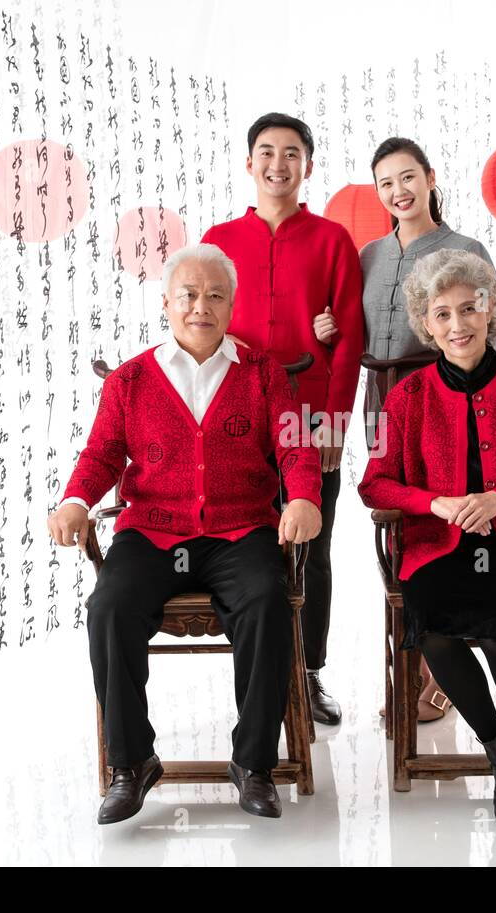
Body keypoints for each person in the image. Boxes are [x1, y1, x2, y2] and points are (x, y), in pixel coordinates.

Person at [49, 243, 323, 824]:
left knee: (267, 602)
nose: (202, 306)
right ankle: (131, 763)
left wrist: (302, 495)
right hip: (151, 532)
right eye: (190, 295)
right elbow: (101, 454)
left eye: (216, 295)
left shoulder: (265, 373)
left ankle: (253, 764)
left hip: (238, 530)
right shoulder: (130, 380)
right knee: (109, 609)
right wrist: (76, 500)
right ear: (167, 303)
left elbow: (295, 447)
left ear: (231, 304)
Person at [357, 248, 496, 828]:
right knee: (434, 627)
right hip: (438, 543)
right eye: (442, 314)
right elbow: (374, 485)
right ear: (426, 325)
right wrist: (434, 502)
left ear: (490, 310)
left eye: (469, 308)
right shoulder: (407, 397)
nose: (457, 324)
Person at [354, 136, 496, 722]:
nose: (398, 191)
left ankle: (436, 682)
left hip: (448, 403)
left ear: (430, 178)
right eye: (386, 183)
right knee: (401, 526)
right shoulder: (369, 255)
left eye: (407, 177)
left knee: (458, 526)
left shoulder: (464, 247)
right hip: (381, 407)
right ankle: (413, 661)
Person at [201, 112, 365, 725]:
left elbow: (349, 338)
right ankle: (259, 677)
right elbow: (202, 328)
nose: (278, 164)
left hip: (309, 418)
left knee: (314, 548)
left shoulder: (332, 240)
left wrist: (334, 425)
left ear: (308, 166)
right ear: (249, 163)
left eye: (291, 153)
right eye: (266, 152)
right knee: (241, 543)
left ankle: (309, 671)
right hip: (236, 419)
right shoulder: (218, 239)